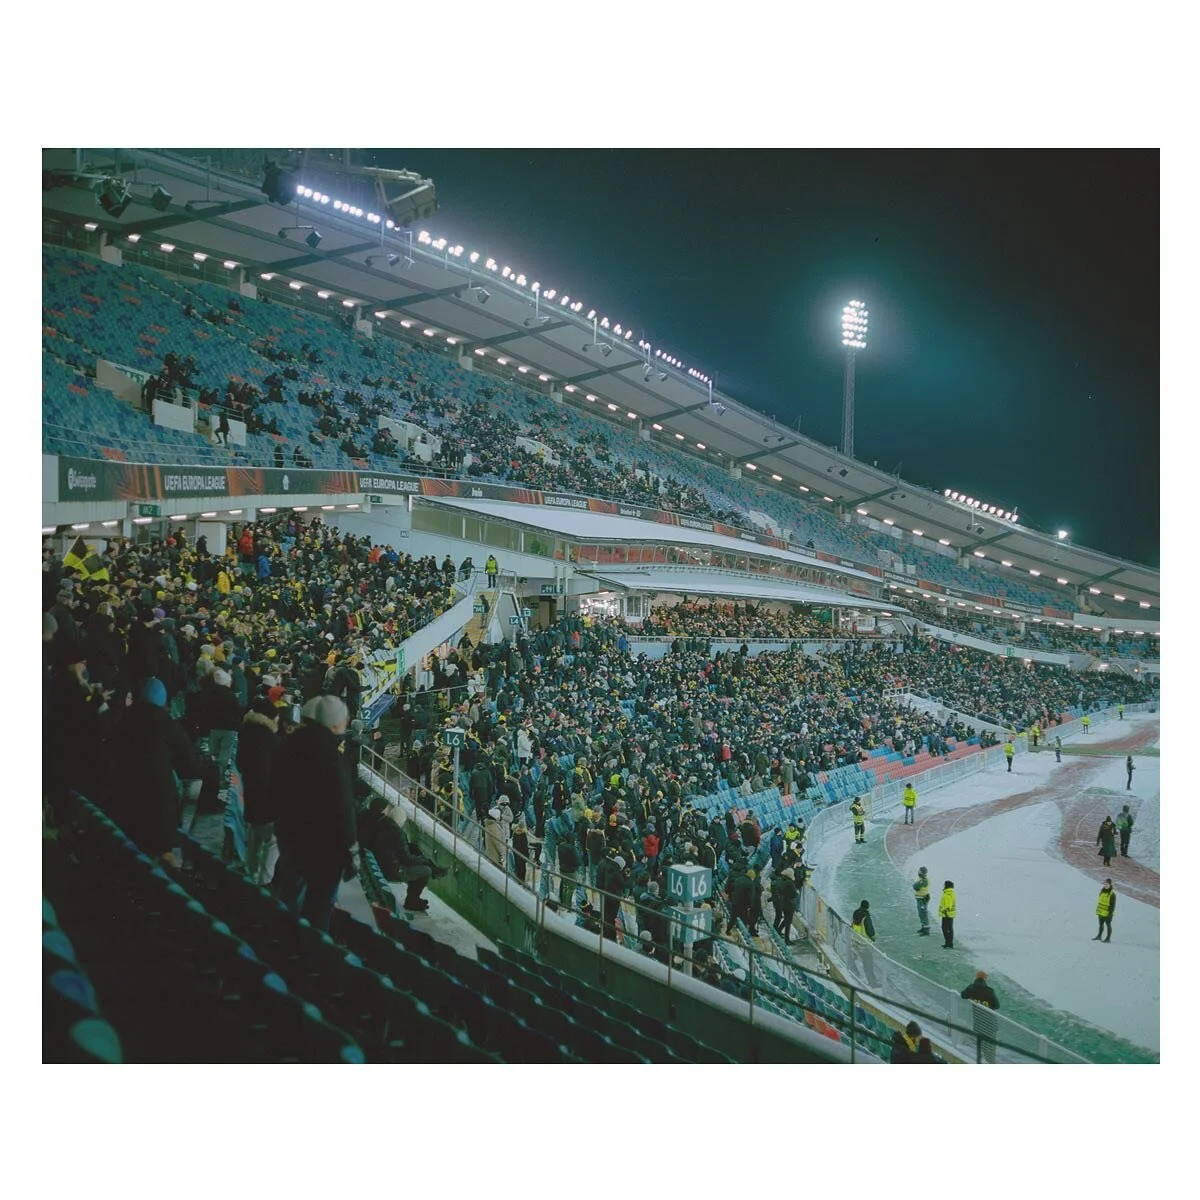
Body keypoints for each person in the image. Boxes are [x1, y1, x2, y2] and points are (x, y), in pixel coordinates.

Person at [270, 695, 358, 932]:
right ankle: (310, 957)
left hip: (289, 840)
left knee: (289, 897)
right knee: (319, 908)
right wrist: (349, 849)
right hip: (325, 853)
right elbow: (343, 811)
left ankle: (282, 941)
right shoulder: (332, 759)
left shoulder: (286, 747)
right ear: (335, 725)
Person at [960, 970, 1000, 1063]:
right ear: (985, 979)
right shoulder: (990, 991)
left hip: (978, 1023)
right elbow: (997, 1006)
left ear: (976, 978)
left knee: (980, 1046)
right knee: (990, 1048)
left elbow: (963, 995)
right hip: (990, 1024)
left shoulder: (971, 989)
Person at [770, 867, 798, 944]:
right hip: (789, 904)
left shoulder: (781, 880)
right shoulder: (790, 883)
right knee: (788, 922)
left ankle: (779, 931)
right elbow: (794, 894)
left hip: (783, 904)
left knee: (786, 919)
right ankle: (787, 940)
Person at [1094, 879, 1116, 943]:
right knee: (1100, 925)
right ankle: (1099, 936)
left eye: (1107, 884)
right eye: (1104, 884)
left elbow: (1112, 906)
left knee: (1108, 925)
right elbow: (1100, 902)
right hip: (1101, 912)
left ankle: (1108, 938)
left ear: (1110, 884)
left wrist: (1110, 914)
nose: (1105, 885)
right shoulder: (1102, 892)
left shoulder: (1112, 894)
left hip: (1108, 913)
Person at [913, 866, 931, 935]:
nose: (918, 872)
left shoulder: (924, 880)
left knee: (923, 914)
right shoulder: (921, 879)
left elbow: (915, 886)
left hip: (922, 899)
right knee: (921, 914)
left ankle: (926, 930)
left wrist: (916, 886)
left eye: (919, 871)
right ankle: (923, 927)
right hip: (920, 898)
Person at [939, 880, 956, 948]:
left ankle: (948, 943)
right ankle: (949, 943)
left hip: (947, 914)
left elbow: (948, 905)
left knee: (946, 929)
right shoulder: (950, 892)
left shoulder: (948, 893)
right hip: (950, 914)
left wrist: (945, 912)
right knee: (949, 929)